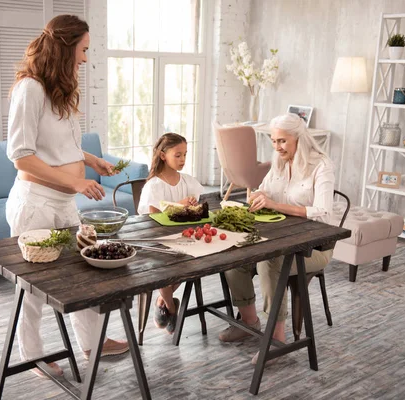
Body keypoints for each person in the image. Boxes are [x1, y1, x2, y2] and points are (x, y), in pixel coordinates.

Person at [5, 14, 128, 378]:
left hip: (62, 204)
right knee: (34, 289)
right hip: (35, 204)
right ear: (65, 47)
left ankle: (91, 343)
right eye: (83, 50)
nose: (85, 59)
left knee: (83, 274)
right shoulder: (30, 89)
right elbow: (21, 157)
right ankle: (34, 357)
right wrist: (76, 183)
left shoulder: (57, 89)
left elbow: (62, 147)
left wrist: (92, 161)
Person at [219, 113, 335, 364]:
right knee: (235, 256)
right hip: (280, 238)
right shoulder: (280, 162)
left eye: (282, 141)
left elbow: (323, 213)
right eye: (273, 141)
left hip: (314, 248)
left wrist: (275, 205)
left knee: (270, 262)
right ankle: (249, 320)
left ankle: (277, 340)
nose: (277, 147)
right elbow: (267, 189)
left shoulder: (321, 165)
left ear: (299, 139)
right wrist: (259, 195)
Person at [137, 133, 204, 333]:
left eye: (185, 155)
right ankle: (172, 308)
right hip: (159, 240)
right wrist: (179, 205)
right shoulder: (154, 186)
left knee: (193, 260)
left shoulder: (189, 182)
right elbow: (154, 219)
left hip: (184, 238)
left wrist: (192, 206)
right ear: (163, 155)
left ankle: (162, 301)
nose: (183, 160)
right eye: (178, 155)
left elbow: (196, 213)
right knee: (162, 267)